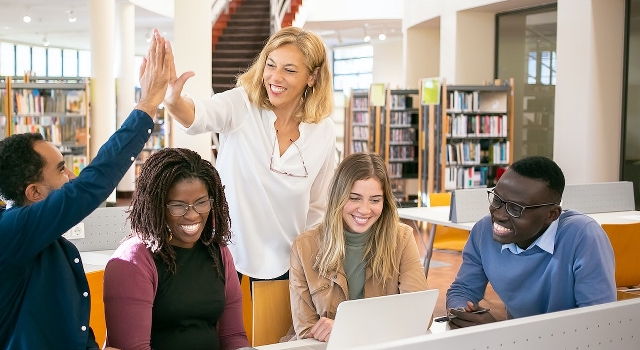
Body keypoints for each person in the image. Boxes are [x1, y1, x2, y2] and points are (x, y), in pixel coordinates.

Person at [0, 30, 170, 349]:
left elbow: (74, 331)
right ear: (34, 192)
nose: (72, 175)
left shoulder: (51, 243)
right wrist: (147, 104)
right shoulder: (0, 233)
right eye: (62, 169)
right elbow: (92, 184)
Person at [157, 26, 337, 280]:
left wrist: (307, 261)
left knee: (274, 322)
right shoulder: (242, 105)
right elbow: (199, 115)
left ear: (313, 77)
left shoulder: (323, 131)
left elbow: (319, 206)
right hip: (226, 257)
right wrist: (173, 100)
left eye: (289, 70)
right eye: (271, 65)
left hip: (289, 265)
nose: (275, 77)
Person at [103, 148, 250, 350]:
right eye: (178, 206)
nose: (192, 215)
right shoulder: (133, 261)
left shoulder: (218, 252)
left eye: (201, 203)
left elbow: (233, 336)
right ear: (157, 206)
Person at [446, 156, 616, 328]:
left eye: (515, 208)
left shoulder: (583, 236)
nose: (499, 215)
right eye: (497, 200)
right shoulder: (484, 230)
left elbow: (597, 324)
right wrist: (462, 311)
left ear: (551, 215)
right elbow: (463, 290)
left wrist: (498, 332)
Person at [288, 152, 429, 341]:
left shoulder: (402, 239)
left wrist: (348, 329)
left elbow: (420, 315)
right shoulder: (303, 247)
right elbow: (306, 331)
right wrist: (375, 327)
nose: (364, 209)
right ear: (338, 197)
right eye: (354, 198)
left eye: (375, 200)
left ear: (385, 202)